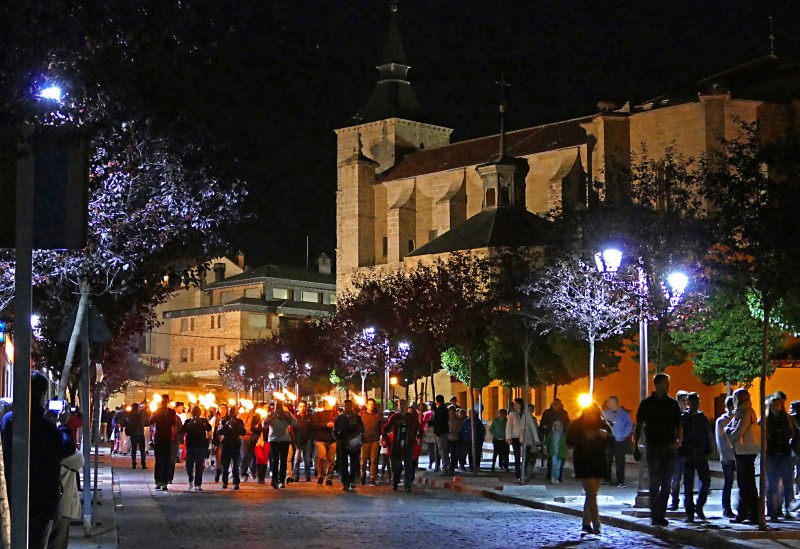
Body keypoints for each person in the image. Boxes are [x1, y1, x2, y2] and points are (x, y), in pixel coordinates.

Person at [0, 371, 76, 548]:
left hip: (13, 492)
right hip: (42, 498)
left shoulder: (9, 419)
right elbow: (66, 448)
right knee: (37, 542)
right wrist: (62, 424)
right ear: (43, 395)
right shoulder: (46, 424)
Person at [633, 373, 682, 527]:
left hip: (668, 447)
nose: (667, 386)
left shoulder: (672, 404)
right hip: (653, 447)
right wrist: (636, 446)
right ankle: (656, 515)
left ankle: (661, 514)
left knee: (666, 482)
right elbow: (639, 425)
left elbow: (678, 424)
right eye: (665, 383)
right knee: (655, 482)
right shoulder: (647, 404)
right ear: (658, 384)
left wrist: (679, 441)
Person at [567, 400, 613, 535]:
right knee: (592, 493)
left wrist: (606, 435)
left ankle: (586, 524)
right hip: (583, 461)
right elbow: (569, 441)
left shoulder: (603, 424)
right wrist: (583, 438)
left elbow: (612, 440)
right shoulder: (577, 424)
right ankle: (597, 524)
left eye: (594, 411)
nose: (592, 414)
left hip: (599, 461)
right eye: (589, 411)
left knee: (592, 494)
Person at [725, 388, 760, 524]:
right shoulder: (740, 412)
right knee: (746, 483)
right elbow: (730, 427)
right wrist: (729, 430)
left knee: (746, 483)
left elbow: (738, 431)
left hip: (745, 451)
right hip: (742, 450)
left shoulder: (746, 412)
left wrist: (729, 433)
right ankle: (750, 513)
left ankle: (747, 513)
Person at [678, 392, 712, 522]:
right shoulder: (683, 418)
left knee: (706, 482)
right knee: (688, 486)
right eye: (692, 402)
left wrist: (708, 450)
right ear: (688, 403)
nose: (695, 405)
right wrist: (681, 452)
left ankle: (699, 507)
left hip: (701, 455)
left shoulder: (702, 419)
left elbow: (707, 435)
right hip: (687, 455)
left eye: (696, 402)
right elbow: (679, 435)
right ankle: (690, 513)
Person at [764, 394, 796, 521]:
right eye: (773, 405)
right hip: (771, 453)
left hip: (784, 453)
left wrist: (791, 442)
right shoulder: (766, 419)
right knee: (772, 483)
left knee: (787, 482)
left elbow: (794, 433)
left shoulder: (786, 418)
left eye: (778, 404)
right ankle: (772, 508)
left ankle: (787, 507)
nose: (776, 407)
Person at [47, 446, 84, 549]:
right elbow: (79, 460)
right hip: (61, 502)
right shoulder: (58, 445)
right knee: (57, 542)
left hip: (44, 502)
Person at [382, 399, 422, 492]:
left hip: (409, 444)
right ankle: (395, 482)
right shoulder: (395, 417)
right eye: (401, 404)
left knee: (408, 464)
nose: (403, 406)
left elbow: (419, 428)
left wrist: (418, 436)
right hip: (396, 445)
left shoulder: (412, 417)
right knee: (397, 466)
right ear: (398, 405)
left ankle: (407, 485)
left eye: (404, 404)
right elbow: (385, 429)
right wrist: (385, 439)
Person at [264, 400, 297, 489]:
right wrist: (272, 417)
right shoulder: (270, 414)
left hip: (284, 440)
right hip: (273, 440)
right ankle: (274, 480)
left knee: (283, 461)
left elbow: (294, 423)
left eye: (279, 405)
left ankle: (281, 480)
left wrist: (286, 417)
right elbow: (264, 425)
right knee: (274, 460)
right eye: (276, 406)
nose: (278, 407)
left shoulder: (287, 414)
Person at [334, 399, 364, 492]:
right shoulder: (339, 418)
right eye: (346, 405)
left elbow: (361, 429)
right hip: (343, 442)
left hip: (353, 442)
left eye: (349, 405)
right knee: (343, 462)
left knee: (354, 462)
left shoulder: (356, 417)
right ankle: (345, 482)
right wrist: (338, 438)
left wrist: (359, 438)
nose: (347, 407)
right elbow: (335, 430)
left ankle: (352, 479)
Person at [602, 396, 632, 487]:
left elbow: (629, 425)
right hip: (609, 441)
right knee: (607, 460)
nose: (607, 404)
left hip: (619, 440)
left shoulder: (623, 414)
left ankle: (620, 481)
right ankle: (607, 479)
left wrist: (624, 435)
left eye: (609, 402)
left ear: (614, 403)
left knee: (620, 461)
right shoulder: (605, 413)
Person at [150, 394, 178, 491]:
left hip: (167, 437)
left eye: (166, 401)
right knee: (158, 460)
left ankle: (164, 482)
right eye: (163, 401)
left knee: (166, 460)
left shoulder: (171, 412)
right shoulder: (156, 411)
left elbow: (174, 422)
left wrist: (167, 416)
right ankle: (158, 481)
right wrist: (157, 414)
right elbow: (151, 421)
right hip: (158, 437)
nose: (164, 403)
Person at [715, 395, 737, 518]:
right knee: (728, 482)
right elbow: (721, 439)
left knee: (741, 482)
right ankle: (726, 508)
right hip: (728, 456)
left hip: (738, 454)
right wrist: (724, 454)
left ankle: (740, 506)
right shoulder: (722, 421)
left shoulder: (738, 418)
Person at [181, 405, 212, 491]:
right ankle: (191, 479)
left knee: (199, 465)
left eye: (197, 411)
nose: (196, 413)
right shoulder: (188, 421)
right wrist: (190, 423)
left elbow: (209, 428)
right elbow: (183, 430)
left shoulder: (203, 420)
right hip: (190, 446)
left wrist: (202, 423)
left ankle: (198, 484)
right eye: (194, 411)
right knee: (189, 465)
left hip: (201, 446)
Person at [668, 390, 690, 510]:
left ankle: (687, 502)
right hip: (676, 450)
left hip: (686, 450)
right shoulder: (673, 415)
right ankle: (674, 501)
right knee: (675, 477)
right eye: (683, 401)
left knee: (686, 477)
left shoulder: (688, 415)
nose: (686, 404)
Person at [541, 398, 570, 480]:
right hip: (551, 436)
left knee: (561, 457)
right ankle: (550, 474)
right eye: (554, 403)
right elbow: (542, 424)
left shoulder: (564, 413)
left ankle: (559, 475)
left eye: (557, 404)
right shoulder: (547, 413)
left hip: (562, 437)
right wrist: (546, 430)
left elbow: (567, 424)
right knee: (551, 456)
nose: (556, 405)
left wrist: (567, 435)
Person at [218, 406, 246, 490]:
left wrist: (236, 425)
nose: (232, 413)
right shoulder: (224, 421)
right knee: (225, 464)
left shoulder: (239, 421)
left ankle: (236, 482)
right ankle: (225, 482)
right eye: (230, 412)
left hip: (235, 444)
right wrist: (225, 425)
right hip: (226, 444)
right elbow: (219, 432)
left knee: (236, 465)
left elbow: (243, 432)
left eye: (233, 412)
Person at [312, 399, 338, 486]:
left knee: (331, 460)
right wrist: (326, 425)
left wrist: (334, 425)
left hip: (332, 440)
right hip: (321, 440)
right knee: (321, 457)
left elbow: (339, 424)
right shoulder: (319, 414)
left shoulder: (335, 414)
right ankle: (320, 475)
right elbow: (316, 424)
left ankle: (329, 477)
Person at [360, 398, 383, 485]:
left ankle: (372, 478)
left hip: (375, 440)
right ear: (366, 405)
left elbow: (382, 427)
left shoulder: (378, 415)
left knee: (373, 460)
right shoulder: (362, 414)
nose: (371, 406)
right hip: (365, 440)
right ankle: (363, 474)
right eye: (369, 404)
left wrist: (381, 437)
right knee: (363, 460)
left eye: (372, 404)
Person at [292, 401, 315, 482]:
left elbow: (312, 428)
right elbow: (293, 429)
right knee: (297, 459)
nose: (302, 408)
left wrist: (310, 438)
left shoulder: (310, 417)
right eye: (301, 406)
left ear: (306, 407)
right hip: (298, 440)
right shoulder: (295, 418)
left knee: (307, 459)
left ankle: (308, 476)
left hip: (307, 440)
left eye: (303, 406)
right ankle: (295, 476)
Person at [506, 398, 525, 480]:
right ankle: (518, 473)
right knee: (517, 455)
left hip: (524, 437)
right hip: (515, 437)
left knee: (525, 454)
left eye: (516, 403)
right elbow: (508, 426)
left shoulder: (525, 413)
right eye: (514, 404)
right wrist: (508, 437)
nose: (515, 405)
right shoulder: (512, 414)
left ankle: (524, 471)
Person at [432, 395, 450, 475]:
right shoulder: (444, 409)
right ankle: (447, 467)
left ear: (437, 401)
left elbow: (439, 421)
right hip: (444, 431)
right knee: (444, 450)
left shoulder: (441, 409)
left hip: (441, 432)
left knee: (442, 450)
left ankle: (445, 468)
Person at [126, 402, 147, 469]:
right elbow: (144, 422)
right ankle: (143, 464)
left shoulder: (130, 415)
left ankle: (134, 463)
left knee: (134, 449)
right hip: (140, 433)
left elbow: (128, 423)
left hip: (133, 434)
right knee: (142, 450)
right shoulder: (140, 415)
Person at [212, 403, 228, 482]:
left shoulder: (228, 419)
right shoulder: (215, 419)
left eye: (225, 408)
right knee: (218, 458)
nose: (223, 410)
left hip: (227, 441)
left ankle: (225, 476)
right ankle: (217, 473)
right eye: (221, 408)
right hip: (217, 441)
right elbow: (212, 429)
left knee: (225, 459)